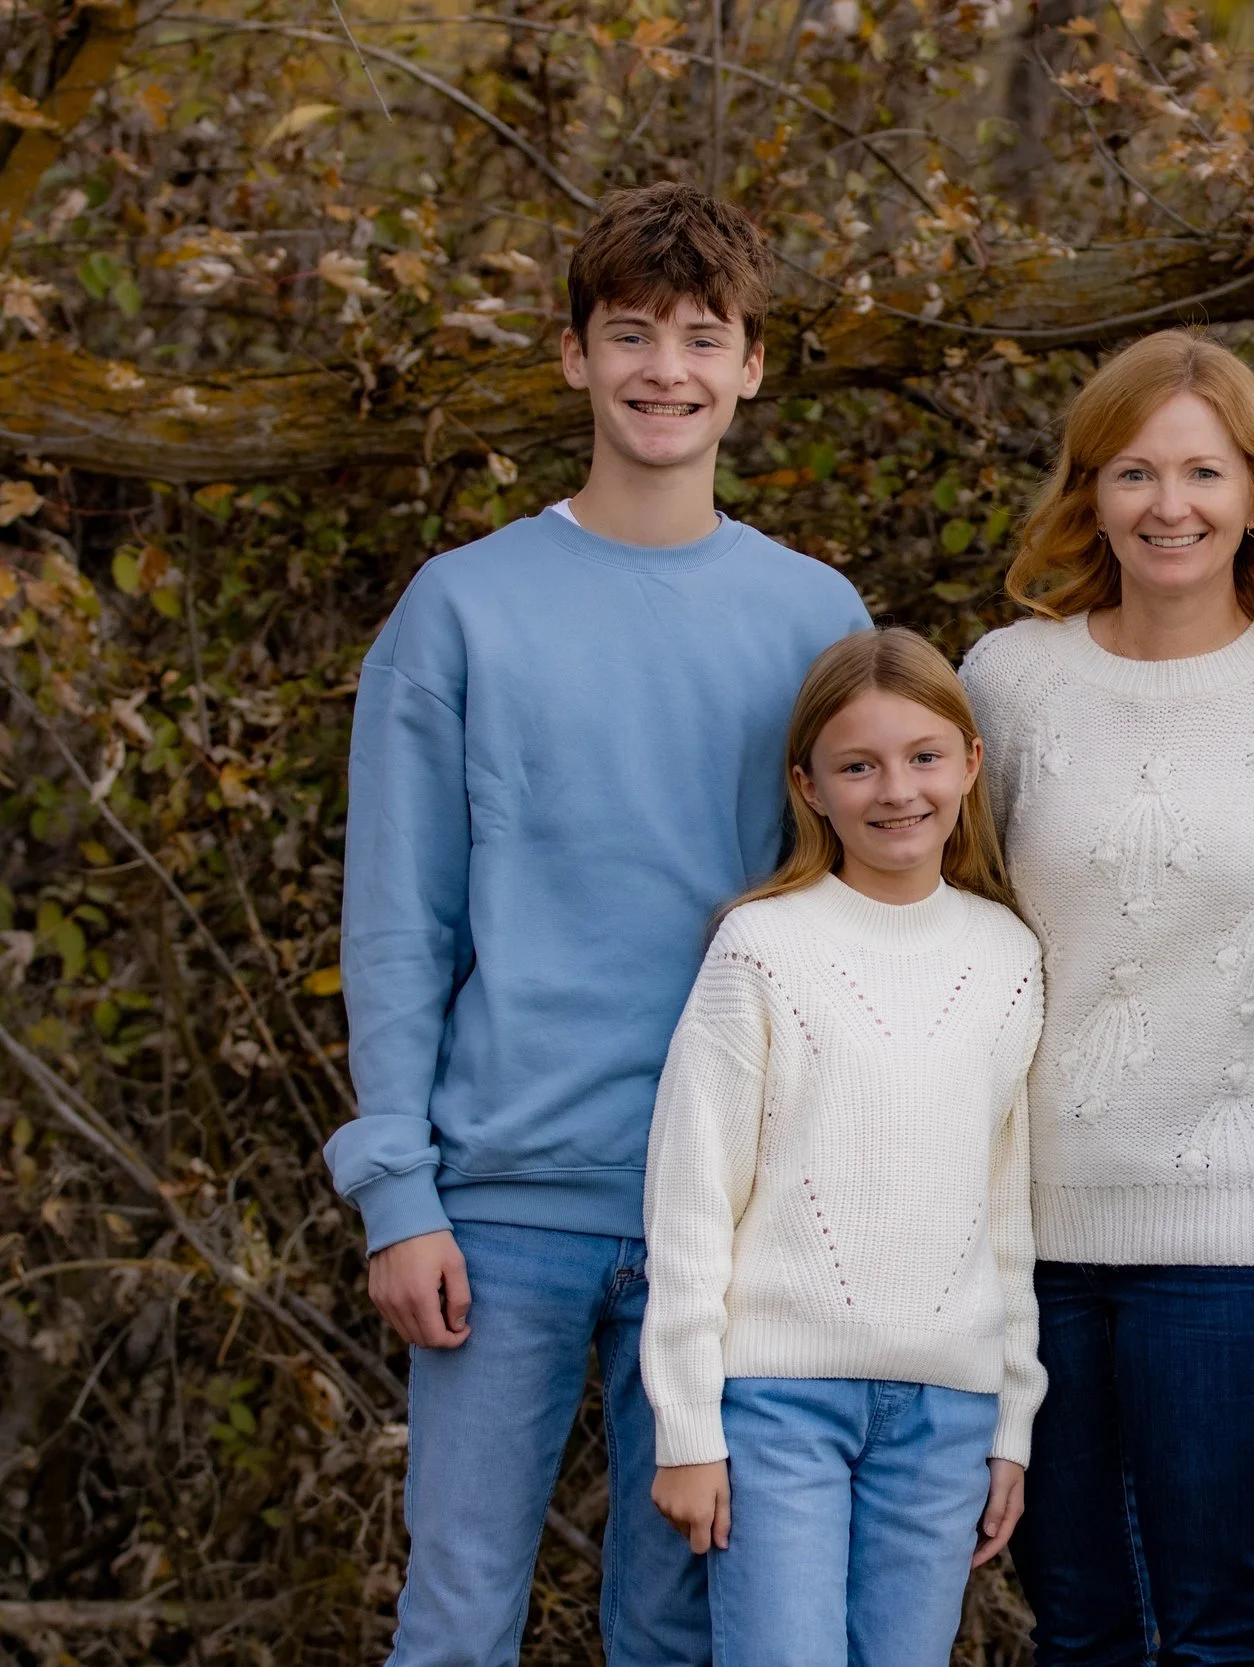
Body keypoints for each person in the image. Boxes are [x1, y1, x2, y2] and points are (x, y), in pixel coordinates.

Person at [324, 182, 872, 1667]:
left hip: (725, 1214)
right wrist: (399, 1190)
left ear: (754, 364)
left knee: (677, 1626)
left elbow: (850, 934)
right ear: (573, 356)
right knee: (455, 1614)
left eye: (705, 338)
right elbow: (397, 919)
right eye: (629, 334)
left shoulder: (816, 617)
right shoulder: (462, 609)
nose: (665, 369)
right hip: (499, 1205)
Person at [961, 329, 1254, 1665]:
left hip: (1241, 1235)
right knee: (1078, 1623)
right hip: (1031, 1234)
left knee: (1215, 1622)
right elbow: (952, 951)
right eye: (1134, 470)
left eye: (1203, 471)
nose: (1170, 504)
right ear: (1088, 490)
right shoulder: (1009, 680)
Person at [642, 628, 1045, 1667]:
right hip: (778, 1401)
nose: (894, 789)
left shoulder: (1007, 954)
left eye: (920, 756)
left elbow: (1004, 1206)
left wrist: (1011, 1418)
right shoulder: (762, 944)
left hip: (946, 1413)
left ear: (969, 762)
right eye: (856, 764)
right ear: (808, 786)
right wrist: (688, 1424)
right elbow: (691, 1197)